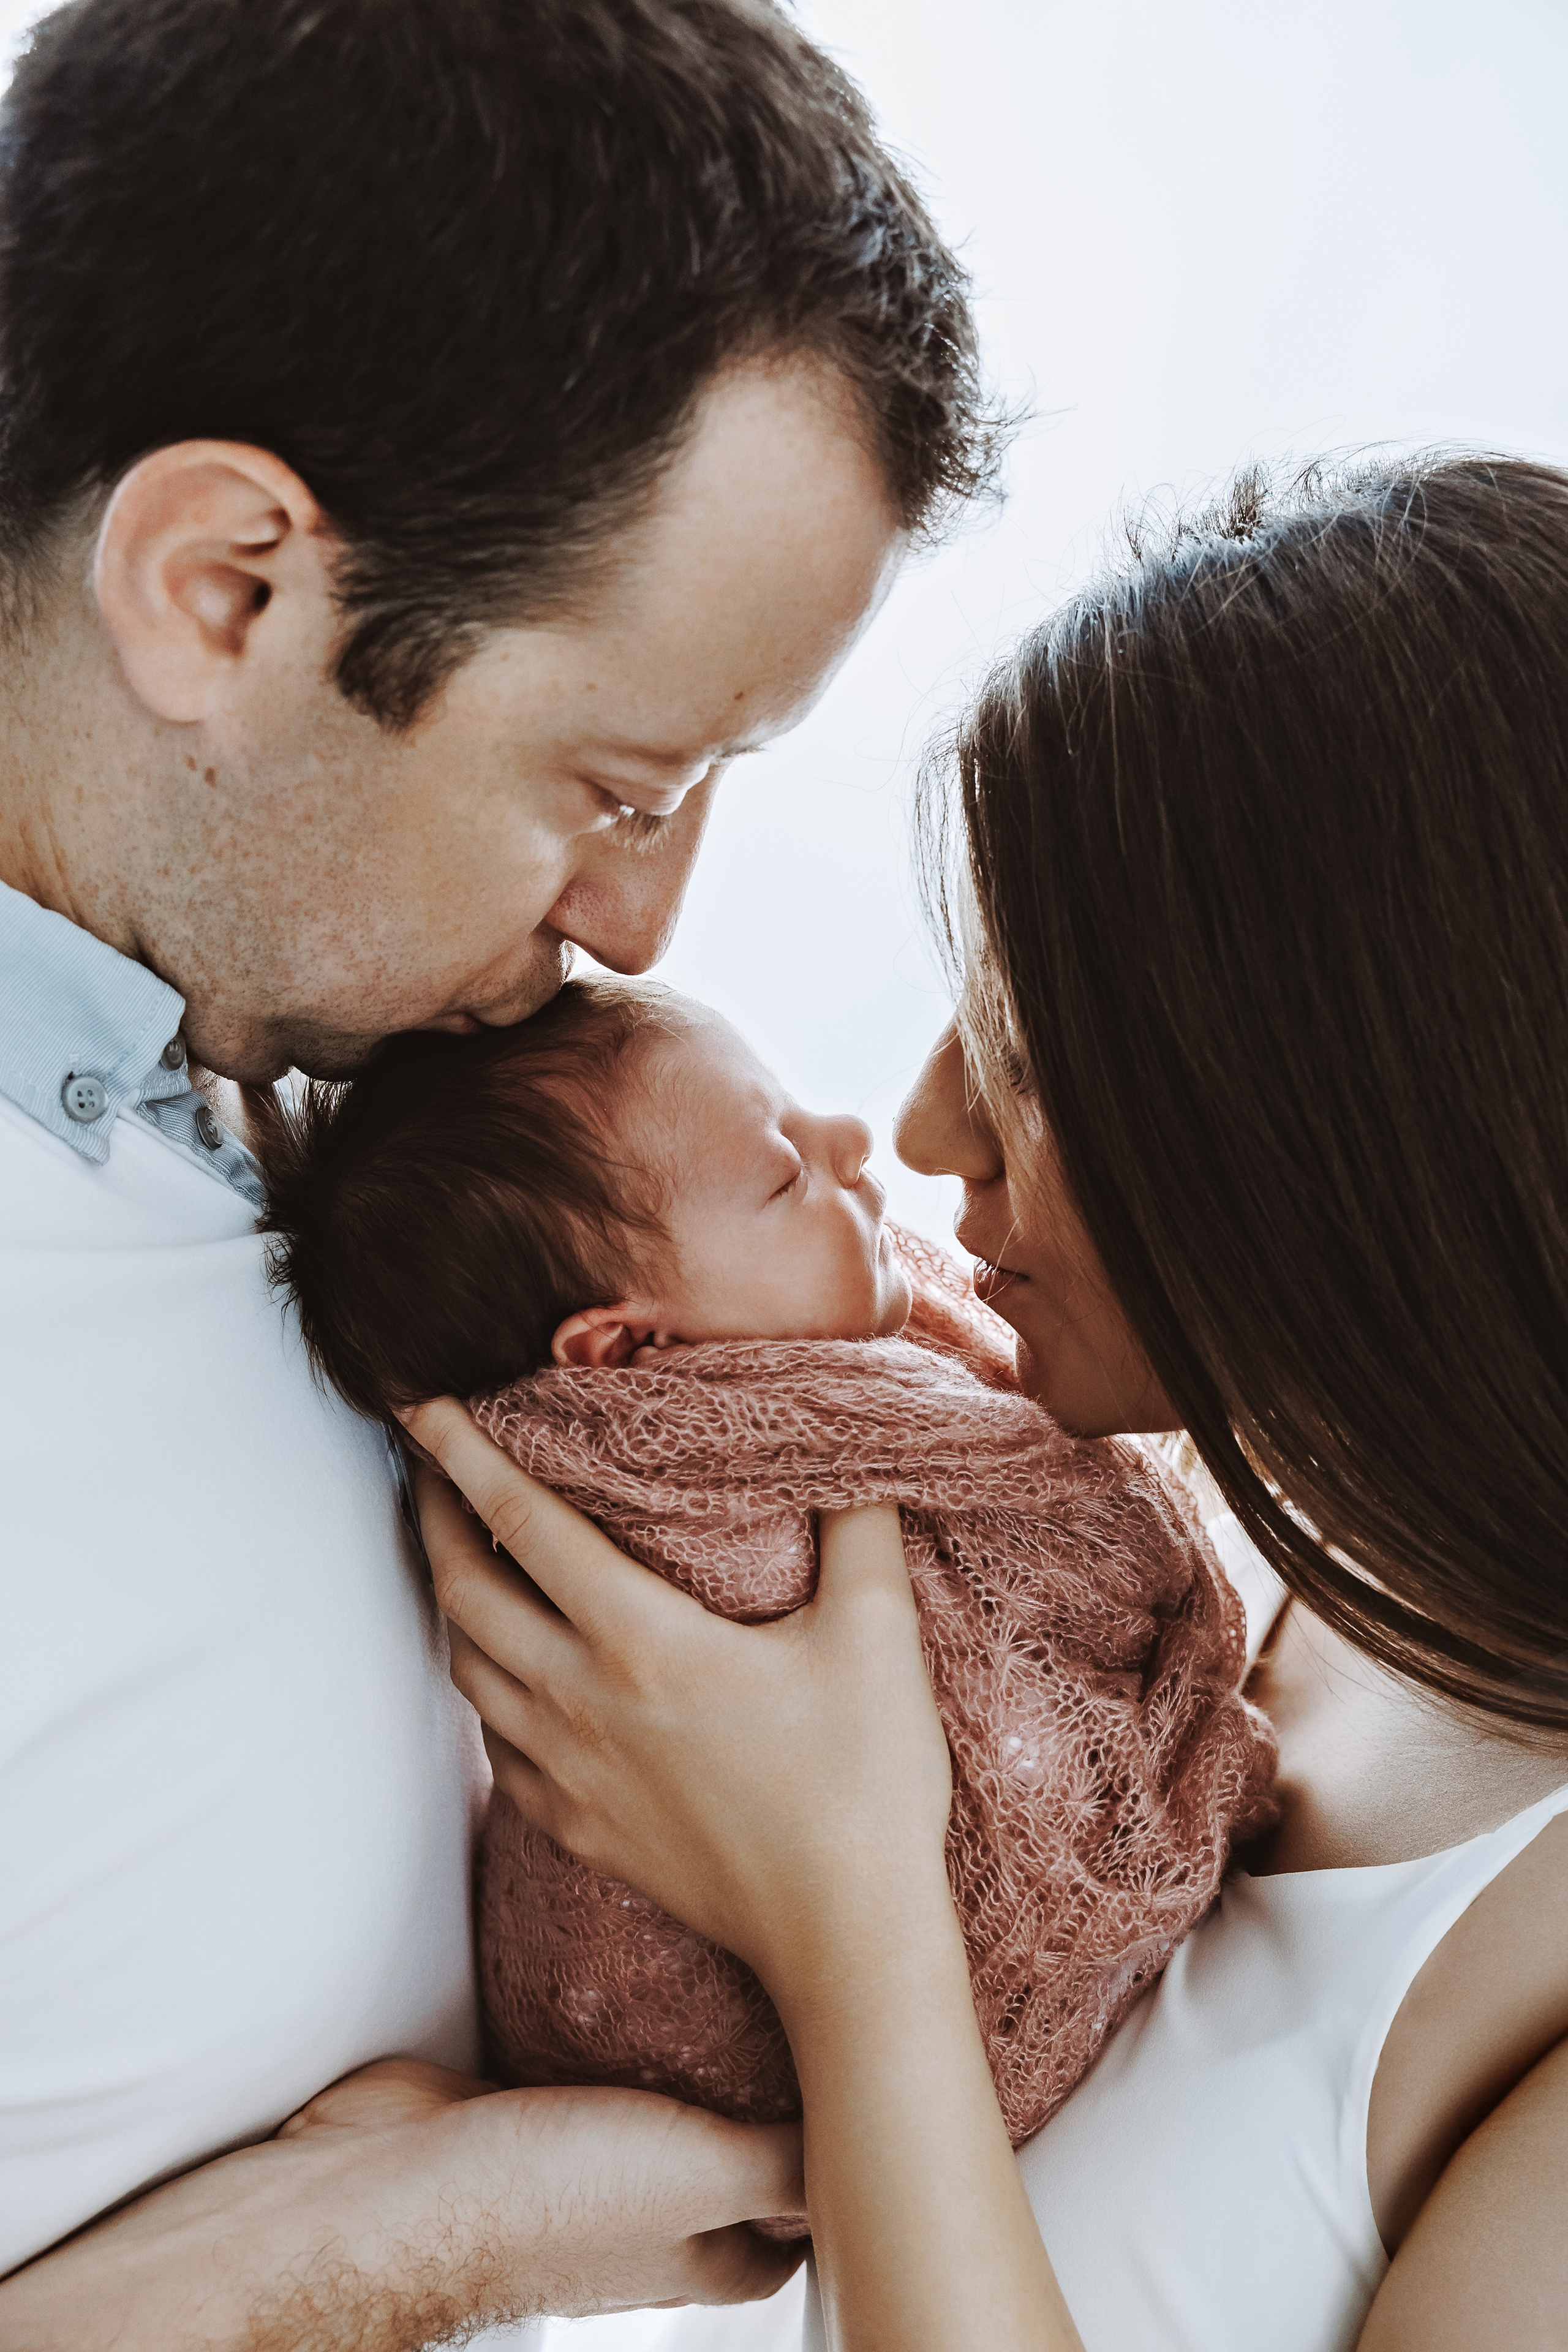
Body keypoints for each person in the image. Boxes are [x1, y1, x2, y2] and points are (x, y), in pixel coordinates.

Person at [0, 0, 1001, 2340]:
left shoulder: (320, 1078)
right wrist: (385, 2248)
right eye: (618, 788)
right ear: (224, 591)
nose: (644, 926)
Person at [411, 453, 1568, 2351]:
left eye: (1029, 1046)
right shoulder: (1189, 1548)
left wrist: (839, 1910)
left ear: (1341, 1125)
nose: (931, 1126)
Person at [254, 975, 1272, 2147]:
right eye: (785, 1176)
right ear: (631, 1347)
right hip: (716, 2029)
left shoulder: (864, 1348)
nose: (860, 1136)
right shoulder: (689, 1510)